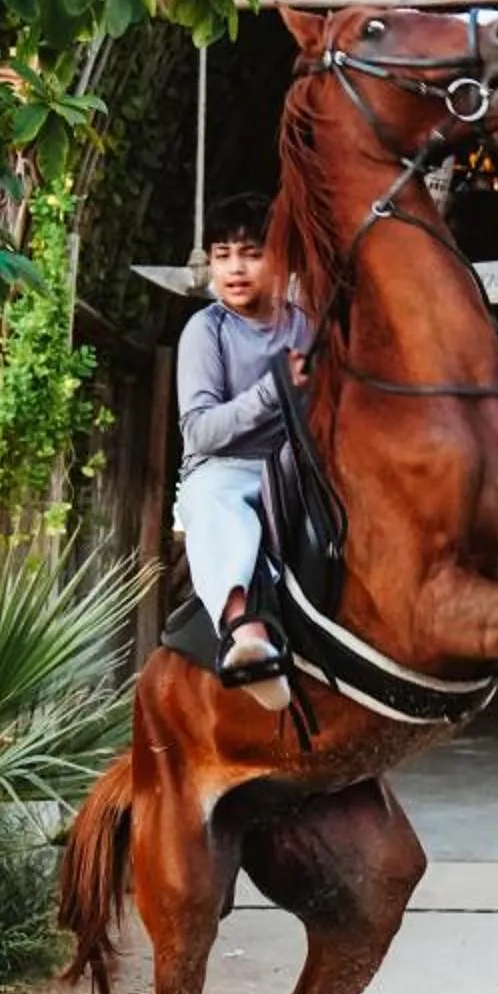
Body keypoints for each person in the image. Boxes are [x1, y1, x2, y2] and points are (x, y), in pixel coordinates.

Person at [175, 191, 311, 709]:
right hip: (226, 470)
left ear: (280, 257)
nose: (235, 268)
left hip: (295, 467)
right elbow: (201, 433)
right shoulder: (206, 331)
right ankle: (246, 633)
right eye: (222, 255)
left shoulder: (304, 325)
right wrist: (275, 388)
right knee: (211, 498)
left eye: (251, 253)